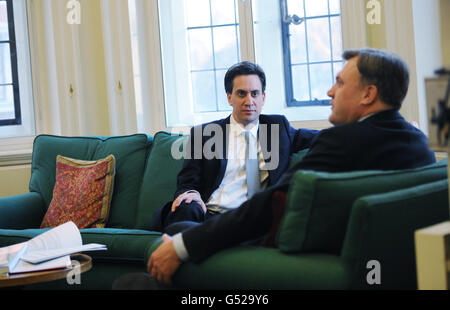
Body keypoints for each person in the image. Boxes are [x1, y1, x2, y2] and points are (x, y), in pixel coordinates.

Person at [118, 48, 436, 288]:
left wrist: (184, 247)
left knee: (174, 240)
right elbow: (190, 177)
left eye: (339, 82)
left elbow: (271, 203)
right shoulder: (418, 144)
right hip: (382, 260)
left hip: (282, 241)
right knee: (182, 220)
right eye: (241, 93)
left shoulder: (308, 135)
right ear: (230, 97)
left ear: (369, 94)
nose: (329, 91)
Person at [151, 61, 318, 235]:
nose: (249, 101)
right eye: (241, 94)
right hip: (209, 215)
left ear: (263, 97)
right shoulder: (205, 134)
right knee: (186, 209)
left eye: (255, 94)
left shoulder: (278, 128)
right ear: (229, 97)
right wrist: (191, 193)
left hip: (251, 219)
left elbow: (323, 138)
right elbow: (187, 180)